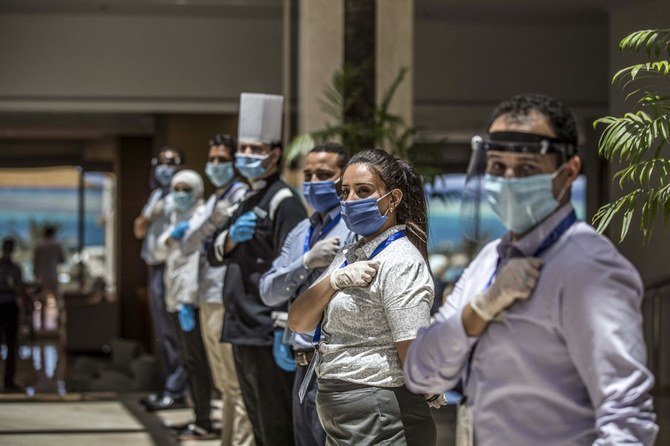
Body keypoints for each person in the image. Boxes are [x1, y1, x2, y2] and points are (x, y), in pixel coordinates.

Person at [404, 94, 659, 445]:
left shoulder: (589, 267)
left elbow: (626, 417)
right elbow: (421, 372)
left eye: (526, 168)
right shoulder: (489, 260)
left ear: (568, 172)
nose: (508, 180)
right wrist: (479, 311)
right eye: (497, 166)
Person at [288, 149, 437, 445]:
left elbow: (410, 347)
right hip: (342, 405)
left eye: (363, 191)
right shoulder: (349, 254)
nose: (350, 200)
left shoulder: (401, 260)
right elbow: (299, 320)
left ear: (393, 199)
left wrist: (430, 388)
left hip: (381, 407)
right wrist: (333, 280)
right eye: (345, 191)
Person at [208, 93, 307, 446]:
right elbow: (212, 251)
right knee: (257, 423)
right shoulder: (244, 198)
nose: (246, 156)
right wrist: (230, 239)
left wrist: (285, 328)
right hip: (239, 325)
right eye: (244, 149)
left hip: (267, 330)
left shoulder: (284, 201)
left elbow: (296, 270)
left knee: (276, 426)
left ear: (275, 153)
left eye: (256, 149)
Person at [259, 142, 356, 446]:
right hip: (300, 364)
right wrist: (304, 262)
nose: (313, 182)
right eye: (309, 174)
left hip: (334, 362)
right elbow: (268, 291)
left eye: (323, 174)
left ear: (343, 179)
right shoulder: (301, 230)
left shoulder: (353, 228)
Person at [175, 134, 254, 445]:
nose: (216, 165)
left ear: (235, 163)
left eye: (223, 159)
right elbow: (189, 244)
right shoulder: (214, 201)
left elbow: (197, 239)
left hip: (225, 296)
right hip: (207, 297)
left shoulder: (240, 196)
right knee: (224, 384)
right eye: (212, 159)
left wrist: (207, 227)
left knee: (236, 382)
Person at [154, 169, 217, 440]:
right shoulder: (176, 215)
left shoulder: (202, 214)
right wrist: (169, 238)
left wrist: (188, 301)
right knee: (188, 361)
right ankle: (198, 417)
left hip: (190, 301)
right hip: (176, 299)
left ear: (197, 191)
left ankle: (203, 419)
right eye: (176, 189)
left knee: (196, 361)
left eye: (185, 189)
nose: (179, 194)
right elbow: (158, 250)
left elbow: (196, 264)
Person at [133, 146, 188, 411]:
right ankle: (170, 387)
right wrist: (148, 214)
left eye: (172, 162)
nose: (166, 167)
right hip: (154, 268)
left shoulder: (181, 194)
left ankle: (176, 390)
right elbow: (138, 229)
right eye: (162, 162)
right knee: (163, 334)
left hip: (171, 268)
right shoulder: (157, 194)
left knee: (172, 332)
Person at [0, 238, 25, 392]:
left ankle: (9, 381)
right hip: (3, 305)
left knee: (11, 345)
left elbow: (19, 289)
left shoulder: (16, 268)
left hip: (10, 306)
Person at [32, 225, 65, 330]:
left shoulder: (39, 245)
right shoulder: (56, 245)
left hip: (42, 277)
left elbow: (35, 263)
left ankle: (42, 325)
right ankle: (59, 324)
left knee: (42, 302)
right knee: (58, 301)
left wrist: (36, 276)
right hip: (53, 275)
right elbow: (62, 260)